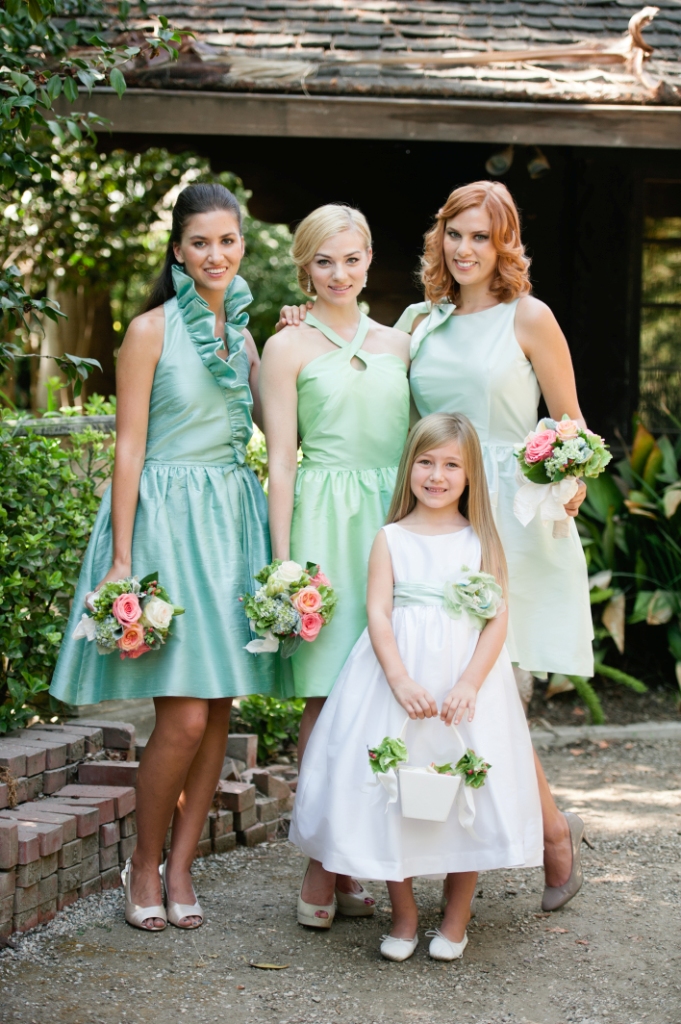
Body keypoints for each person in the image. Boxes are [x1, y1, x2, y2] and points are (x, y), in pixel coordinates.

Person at [277, 181, 593, 912]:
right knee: (454, 690)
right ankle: (494, 840)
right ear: (439, 238)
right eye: (455, 233)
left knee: (495, 692)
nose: (465, 249)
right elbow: (363, 352)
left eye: (481, 237)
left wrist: (570, 481)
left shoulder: (529, 317)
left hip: (513, 516)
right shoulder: (421, 321)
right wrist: (303, 314)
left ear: (504, 244)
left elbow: (571, 425)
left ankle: (545, 838)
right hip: (444, 520)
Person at [50, 183, 279, 931]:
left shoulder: (244, 338)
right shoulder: (148, 330)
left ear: (241, 245)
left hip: (231, 524)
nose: (217, 255)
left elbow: (279, 419)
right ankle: (140, 865)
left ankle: (182, 868)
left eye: (228, 241)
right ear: (177, 250)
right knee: (179, 719)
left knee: (218, 711)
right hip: (164, 526)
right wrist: (121, 557)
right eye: (201, 242)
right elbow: (127, 447)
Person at [290, 413, 544, 960]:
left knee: (467, 784)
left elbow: (497, 618)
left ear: (471, 473)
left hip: (463, 688)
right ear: (410, 468)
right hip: (396, 682)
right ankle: (403, 914)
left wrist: (471, 681)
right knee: (393, 787)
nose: (437, 475)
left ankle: (456, 916)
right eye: (426, 462)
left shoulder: (481, 540)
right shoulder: (391, 538)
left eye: (452, 464)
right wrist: (399, 678)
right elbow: (378, 613)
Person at [259, 203, 411, 925]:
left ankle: (350, 866)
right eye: (324, 261)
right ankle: (319, 864)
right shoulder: (286, 346)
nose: (338, 274)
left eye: (351, 259)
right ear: (304, 267)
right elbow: (280, 462)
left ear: (370, 259)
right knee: (326, 698)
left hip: (391, 525)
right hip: (323, 522)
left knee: (384, 690)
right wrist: (284, 565)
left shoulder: (402, 342)